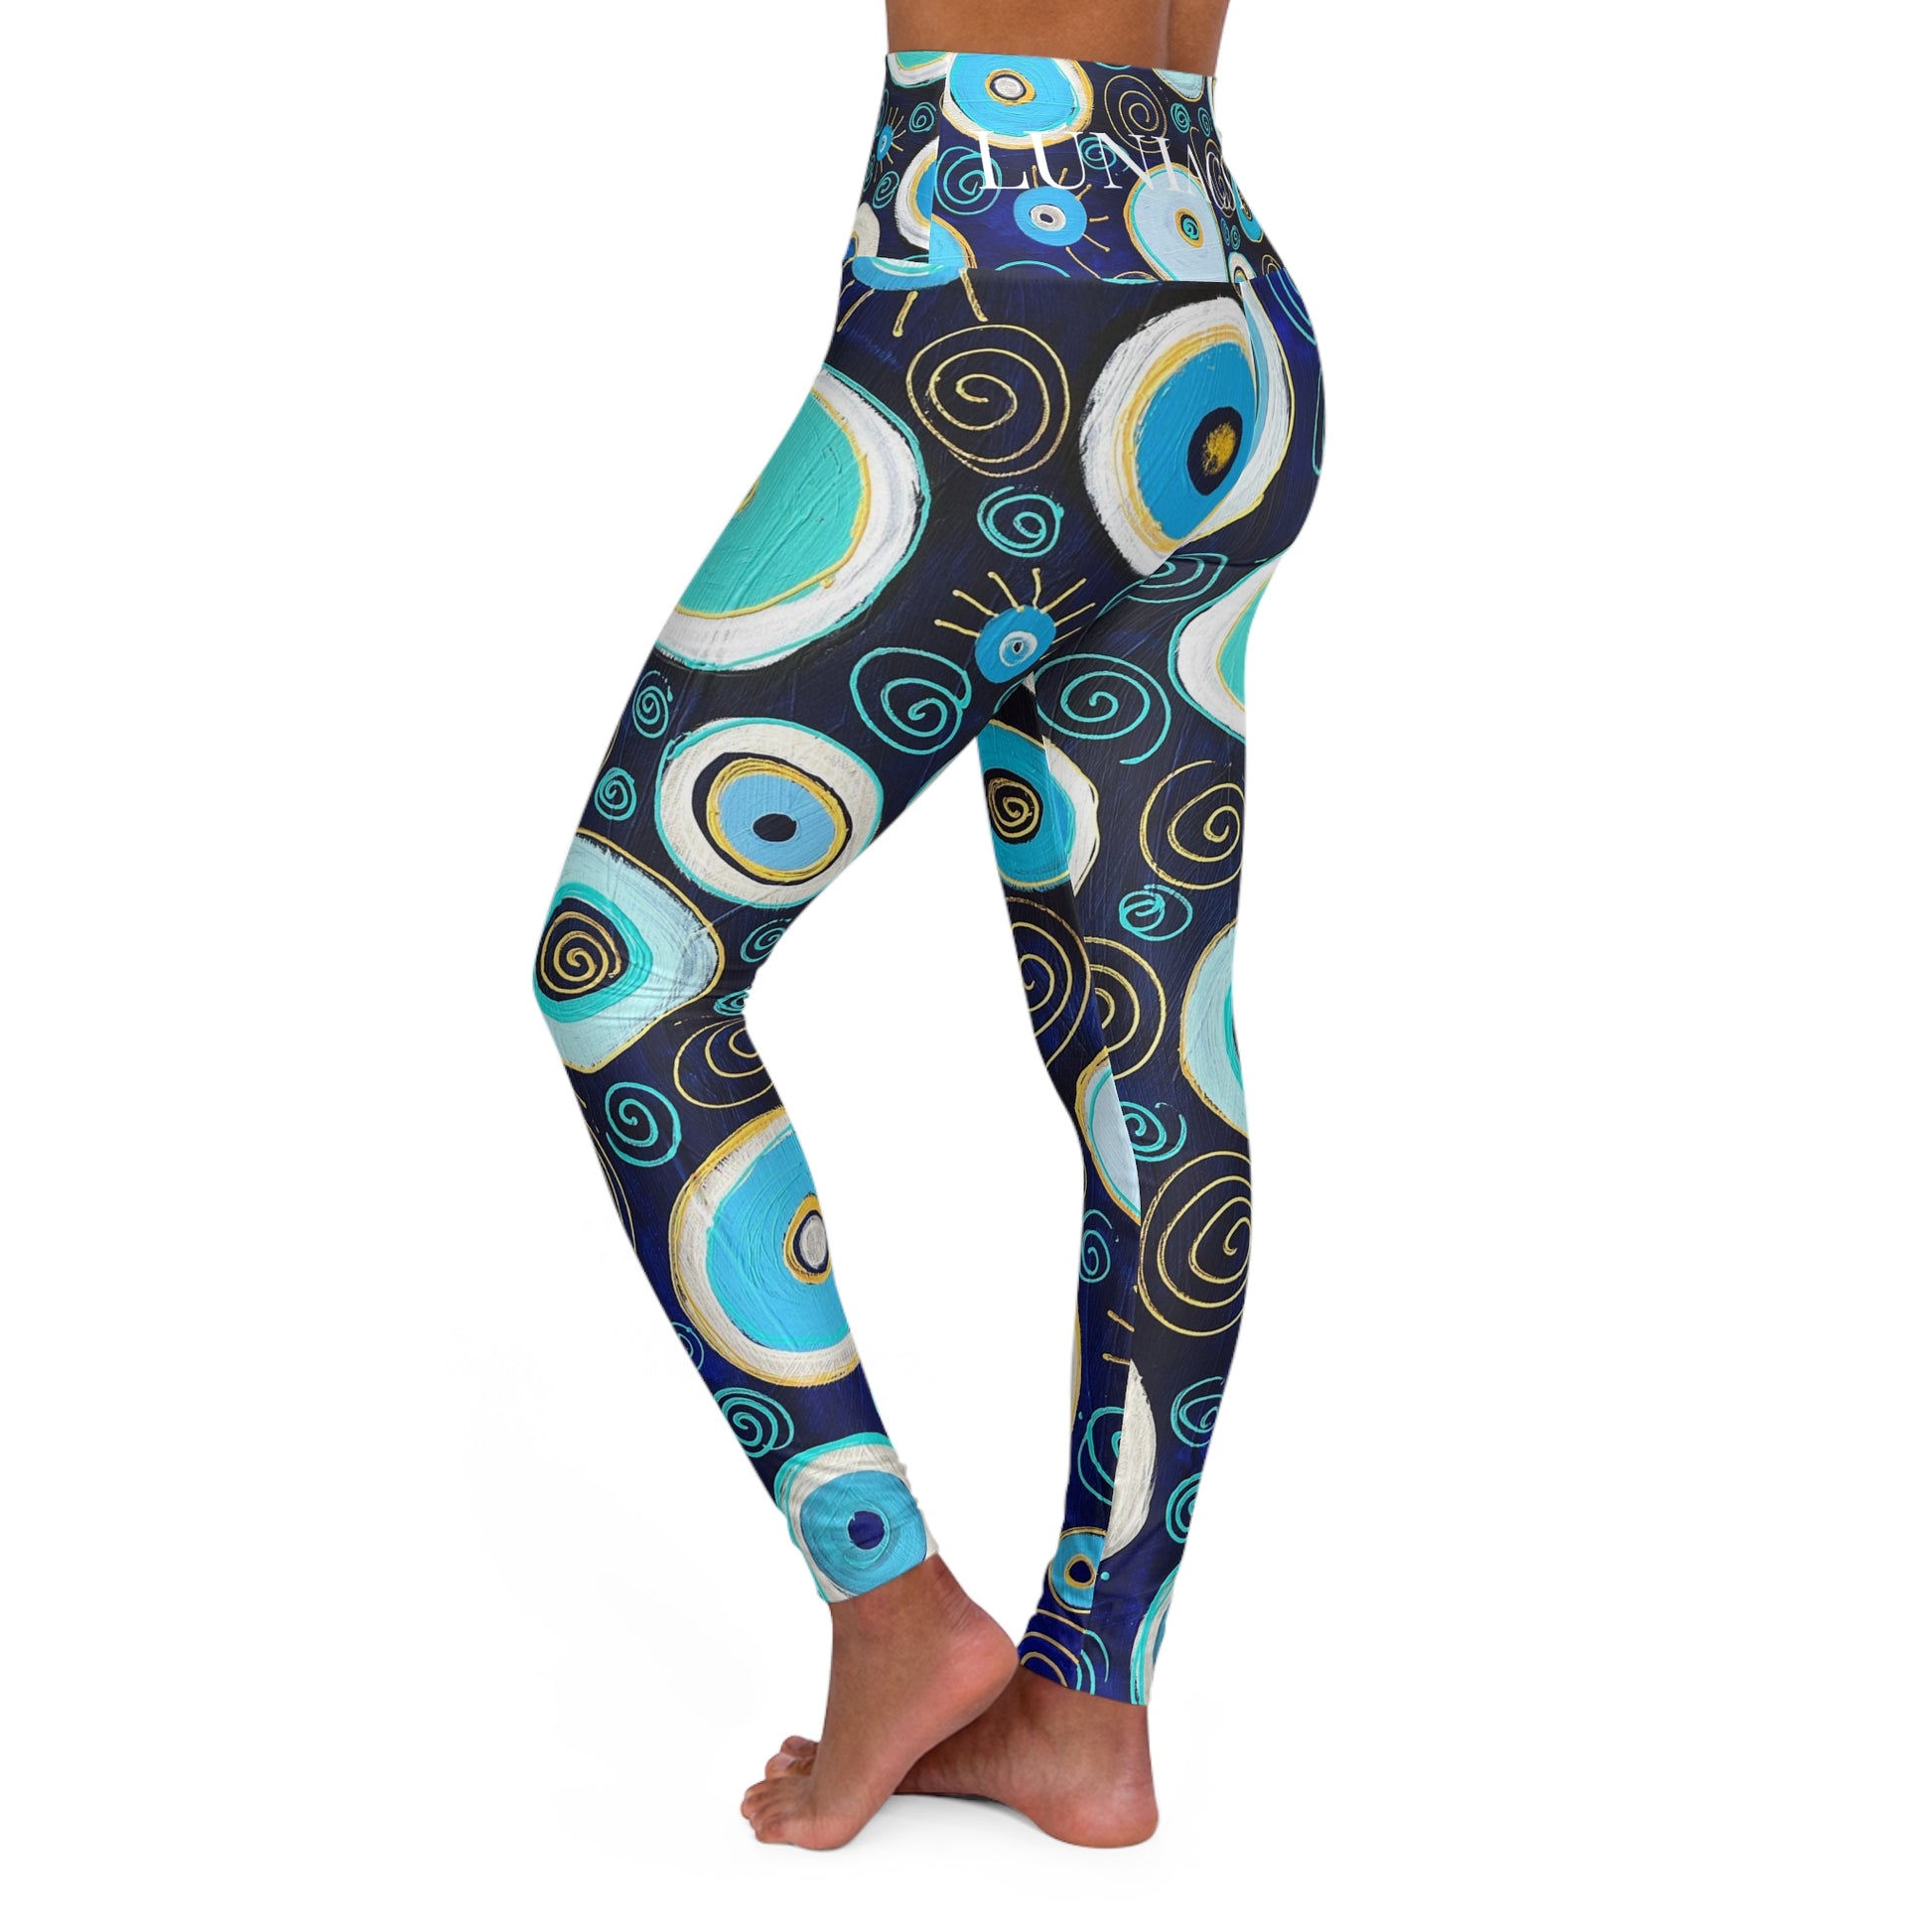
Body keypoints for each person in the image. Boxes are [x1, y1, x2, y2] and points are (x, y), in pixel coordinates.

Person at [531, 0, 1322, 1849]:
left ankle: (892, 1605)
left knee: (626, 962)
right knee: (1148, 1046)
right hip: (1215, 291)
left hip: (998, 293)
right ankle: (1085, 1714)